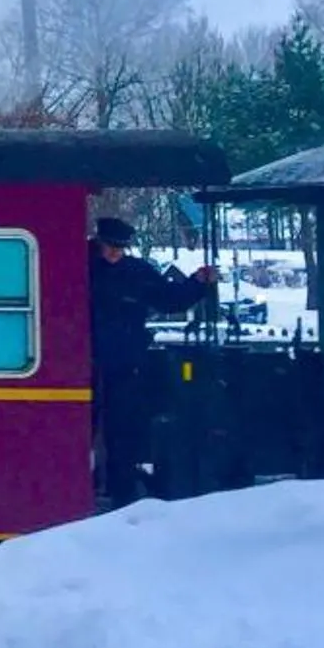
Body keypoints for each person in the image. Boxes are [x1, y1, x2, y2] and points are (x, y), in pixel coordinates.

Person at [88, 215, 216, 506]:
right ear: (99, 243)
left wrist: (196, 284)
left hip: (125, 362)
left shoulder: (137, 272)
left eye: (120, 248)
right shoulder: (83, 266)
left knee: (123, 430)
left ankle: (121, 489)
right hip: (91, 362)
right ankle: (93, 483)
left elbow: (169, 299)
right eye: (110, 247)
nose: (114, 253)